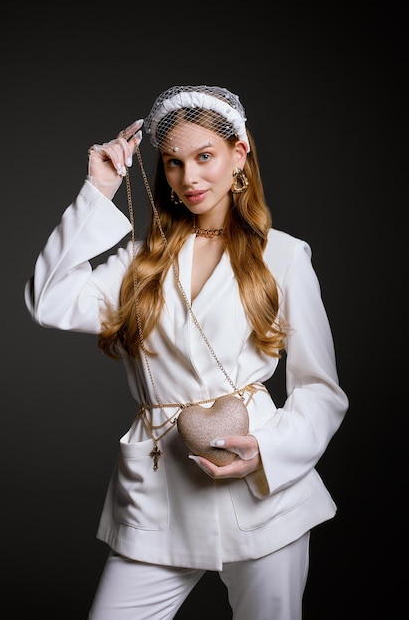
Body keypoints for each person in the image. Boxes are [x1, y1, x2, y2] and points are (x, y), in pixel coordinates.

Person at [24, 84, 349, 620]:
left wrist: (265, 451)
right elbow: (47, 301)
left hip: (262, 489)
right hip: (160, 491)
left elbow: (320, 390)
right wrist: (98, 188)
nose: (189, 178)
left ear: (239, 154)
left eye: (205, 157)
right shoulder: (140, 262)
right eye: (174, 163)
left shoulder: (285, 257)